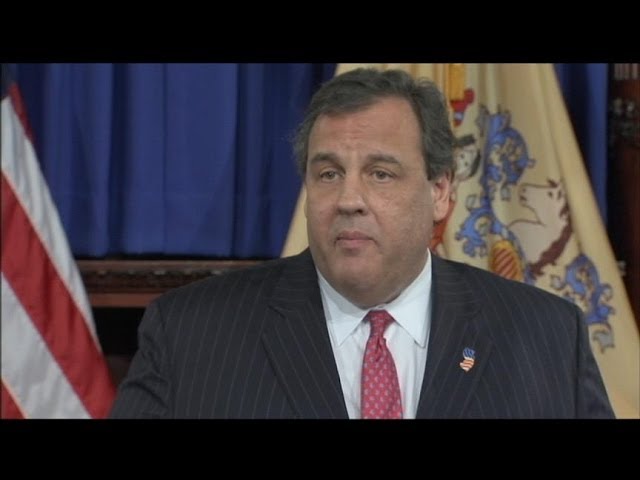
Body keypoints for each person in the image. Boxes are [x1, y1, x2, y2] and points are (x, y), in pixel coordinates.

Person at [109, 68, 614, 419]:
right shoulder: (190, 334)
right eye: (328, 173)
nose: (349, 200)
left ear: (440, 192)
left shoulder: (546, 337)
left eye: (380, 173)